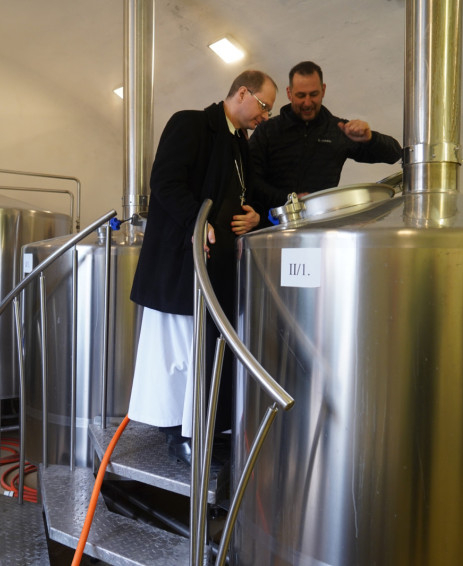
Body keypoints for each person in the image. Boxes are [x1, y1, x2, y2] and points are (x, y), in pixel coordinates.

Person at [127, 70, 278, 465]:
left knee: (207, 350)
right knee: (178, 351)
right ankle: (177, 433)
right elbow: (164, 182)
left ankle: (204, 427)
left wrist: (256, 215)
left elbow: (243, 193)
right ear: (242, 92)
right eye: (264, 106)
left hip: (217, 271)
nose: (265, 116)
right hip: (181, 264)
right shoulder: (191, 123)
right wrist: (200, 221)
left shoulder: (239, 142)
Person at [249, 61, 402, 208]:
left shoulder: (339, 130)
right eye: (301, 95)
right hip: (272, 221)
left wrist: (370, 139)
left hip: (321, 222)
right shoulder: (267, 131)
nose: (307, 102)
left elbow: (394, 154)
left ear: (323, 90)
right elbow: (250, 179)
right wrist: (290, 200)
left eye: (314, 94)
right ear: (289, 93)